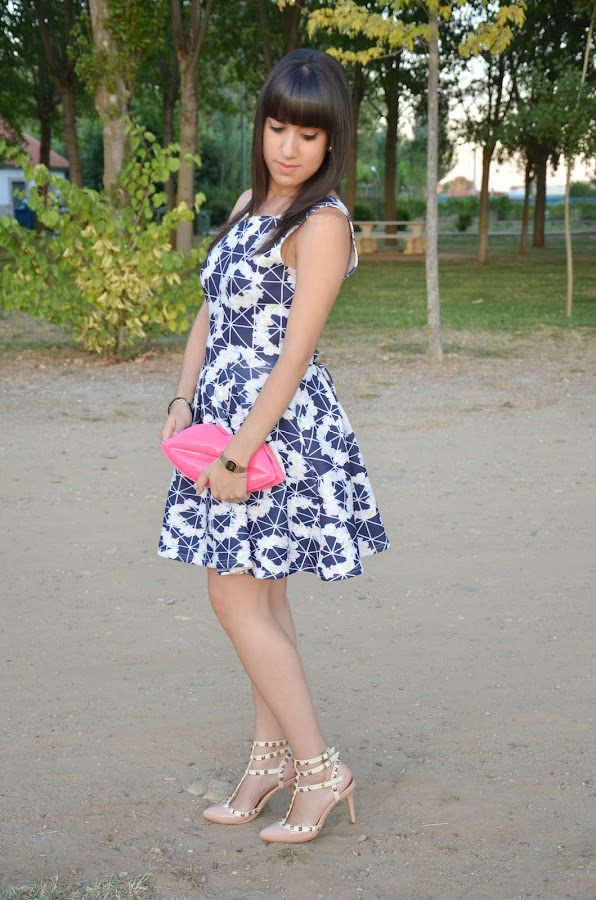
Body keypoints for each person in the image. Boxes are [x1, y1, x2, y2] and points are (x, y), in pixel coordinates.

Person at [158, 48, 389, 845]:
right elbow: (209, 310)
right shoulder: (248, 202)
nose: (288, 147)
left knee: (234, 598)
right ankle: (269, 763)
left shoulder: (322, 223)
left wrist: (236, 453)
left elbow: (295, 353)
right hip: (220, 421)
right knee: (261, 598)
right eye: (278, 127)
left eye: (308, 135)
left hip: (274, 433)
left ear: (332, 143)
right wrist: (183, 401)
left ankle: (320, 770)